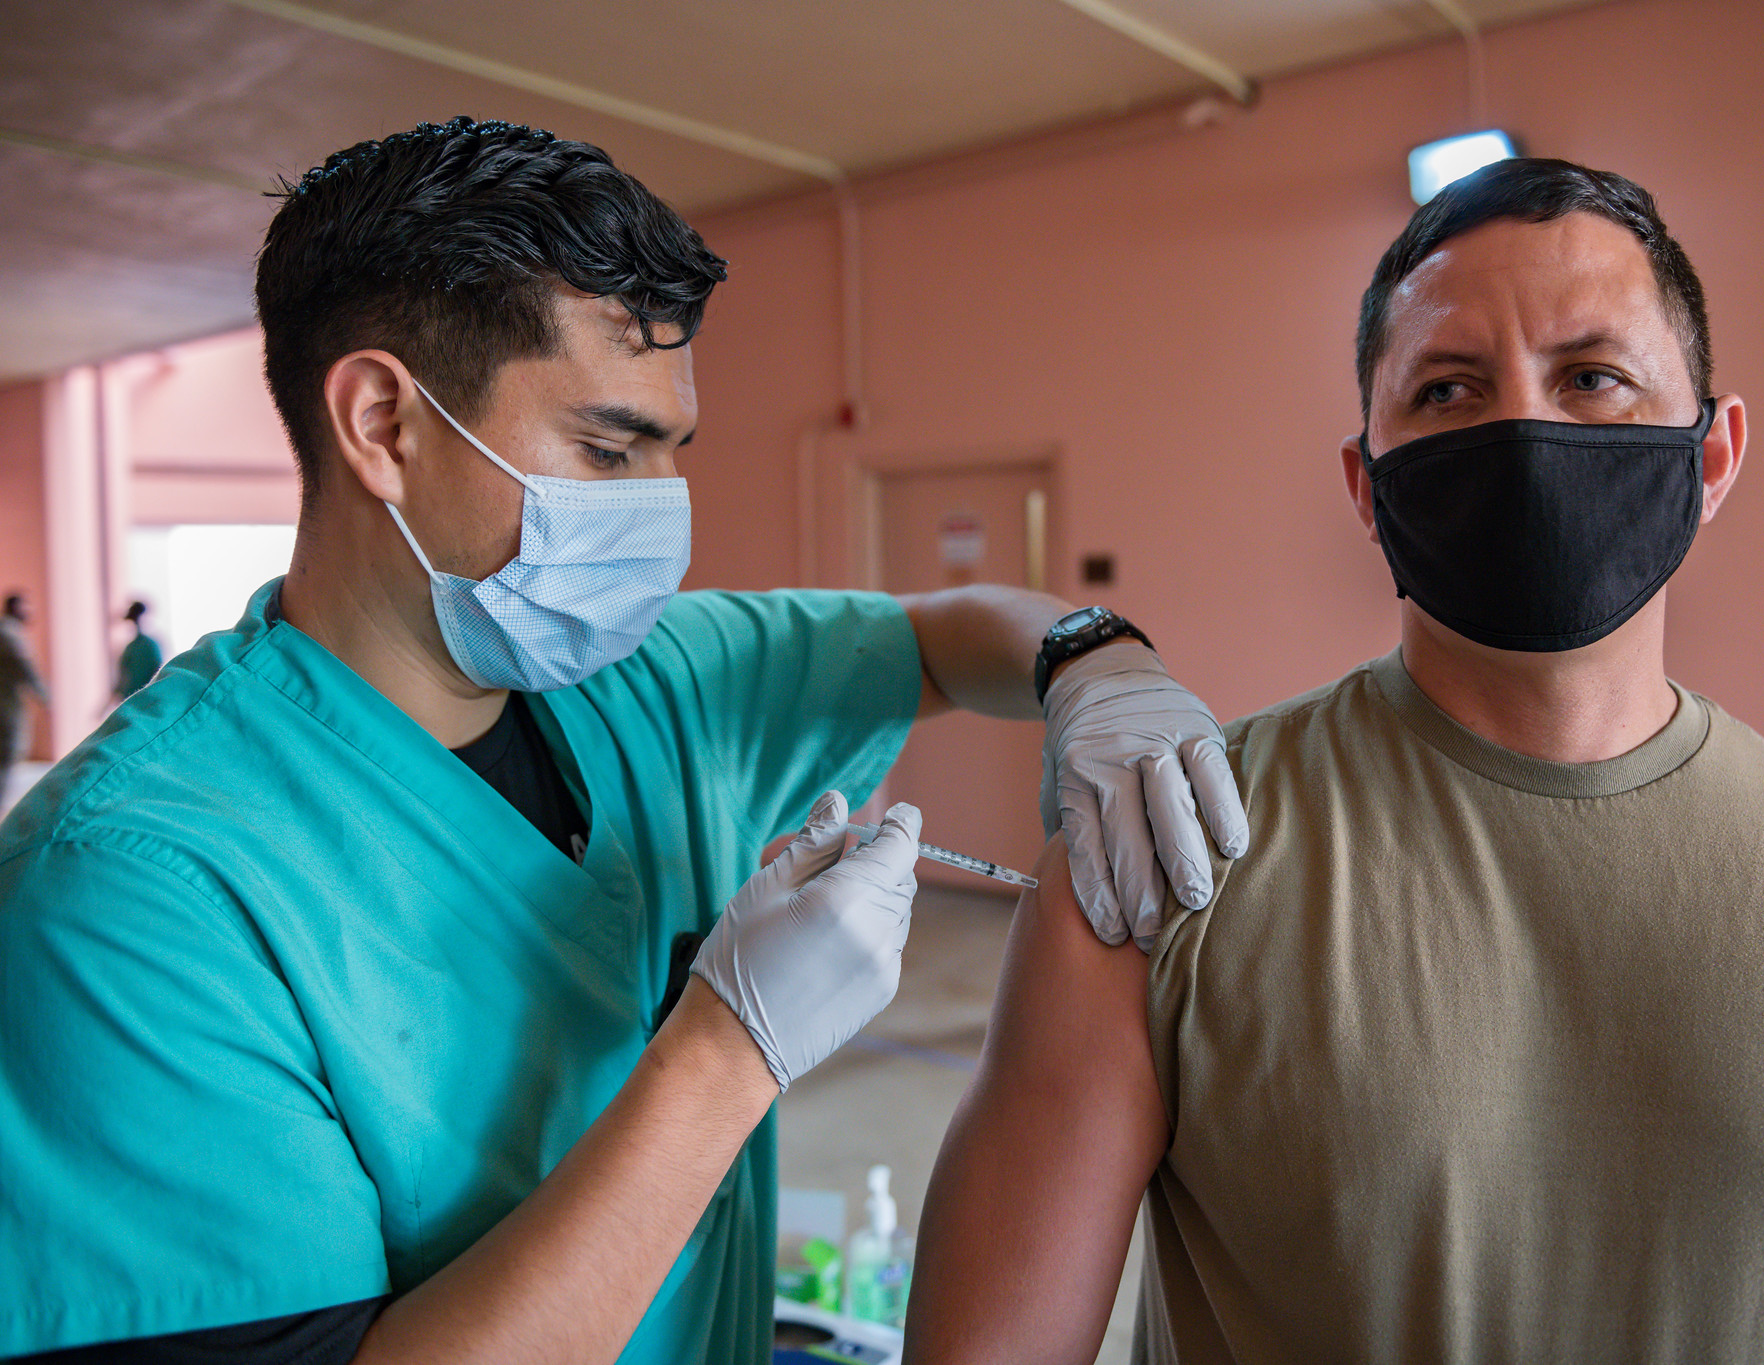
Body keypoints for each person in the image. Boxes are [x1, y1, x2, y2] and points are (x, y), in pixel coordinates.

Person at [0, 118, 1249, 1364]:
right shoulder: (131, 890)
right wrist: (726, 1049)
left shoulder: (647, 681)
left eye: (668, 454)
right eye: (605, 449)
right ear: (383, 423)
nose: (658, 515)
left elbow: (939, 635)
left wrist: (1097, 665)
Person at [906, 159, 1764, 1364]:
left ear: (1710, 456)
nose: (1523, 431)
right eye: (1449, 390)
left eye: (1592, 378)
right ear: (1366, 485)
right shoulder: (1167, 861)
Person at [0, 592, 47, 792]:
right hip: (6, 703)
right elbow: (25, 667)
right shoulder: (9, 633)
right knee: (8, 752)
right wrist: (45, 696)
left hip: (8, 701)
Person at [111, 599, 164, 702]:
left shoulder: (149, 646)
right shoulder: (132, 647)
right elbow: (122, 678)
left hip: (145, 700)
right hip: (133, 701)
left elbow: (158, 673)